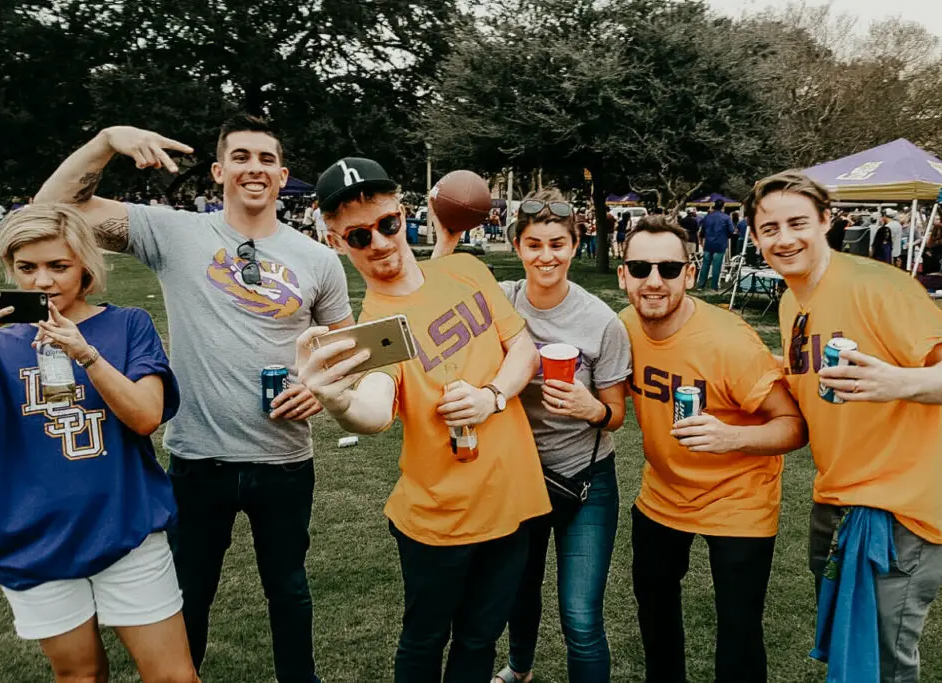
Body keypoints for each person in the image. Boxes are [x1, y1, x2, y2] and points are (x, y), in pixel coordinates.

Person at [34, 115, 354, 681]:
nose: (253, 168)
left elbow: (345, 353)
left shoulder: (319, 259)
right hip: (198, 458)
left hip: (284, 461)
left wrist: (319, 388)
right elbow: (51, 207)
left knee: (290, 592)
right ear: (219, 170)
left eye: (264, 159)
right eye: (240, 157)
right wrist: (107, 141)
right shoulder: (174, 231)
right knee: (189, 596)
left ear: (282, 175)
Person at [297, 156, 550, 683]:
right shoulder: (376, 327)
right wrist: (338, 401)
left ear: (402, 214)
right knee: (424, 642)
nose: (380, 243)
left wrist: (493, 397)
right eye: (359, 236)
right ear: (336, 242)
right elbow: (373, 408)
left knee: (480, 640)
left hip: (512, 499)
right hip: (440, 520)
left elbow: (523, 349)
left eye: (387, 225)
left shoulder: (465, 269)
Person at [0, 204, 199, 683]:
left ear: (86, 268)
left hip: (127, 526)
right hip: (33, 537)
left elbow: (145, 417)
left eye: (59, 266)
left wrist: (85, 353)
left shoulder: (127, 325)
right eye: (27, 267)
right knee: (80, 676)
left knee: (173, 677)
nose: (42, 281)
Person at [745, 171, 942, 681]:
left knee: (884, 665)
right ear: (755, 237)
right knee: (850, 653)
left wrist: (898, 382)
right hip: (836, 505)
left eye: (797, 222)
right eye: (769, 228)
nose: (785, 238)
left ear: (825, 222)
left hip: (898, 516)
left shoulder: (877, 286)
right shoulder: (791, 301)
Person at [437, 188, 631, 683]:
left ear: (574, 245)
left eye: (558, 244)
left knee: (581, 617)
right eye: (534, 244)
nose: (547, 256)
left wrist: (592, 408)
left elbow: (616, 415)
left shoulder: (602, 322)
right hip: (517, 476)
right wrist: (446, 234)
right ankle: (520, 669)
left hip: (585, 481)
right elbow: (434, 293)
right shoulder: (500, 300)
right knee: (518, 593)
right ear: (517, 247)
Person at [617, 215, 807, 683]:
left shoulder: (728, 342)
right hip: (662, 494)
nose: (653, 281)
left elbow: (794, 427)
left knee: (738, 634)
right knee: (656, 618)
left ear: (691, 273)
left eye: (668, 269)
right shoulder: (622, 326)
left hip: (738, 498)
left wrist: (732, 437)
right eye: (640, 269)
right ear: (623, 275)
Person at [697, 200, 735, 290]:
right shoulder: (726, 218)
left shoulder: (707, 217)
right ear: (723, 207)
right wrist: (727, 236)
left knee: (705, 265)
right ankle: (714, 286)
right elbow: (731, 230)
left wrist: (702, 239)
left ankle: (701, 285)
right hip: (720, 243)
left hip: (708, 243)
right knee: (716, 266)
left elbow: (702, 230)